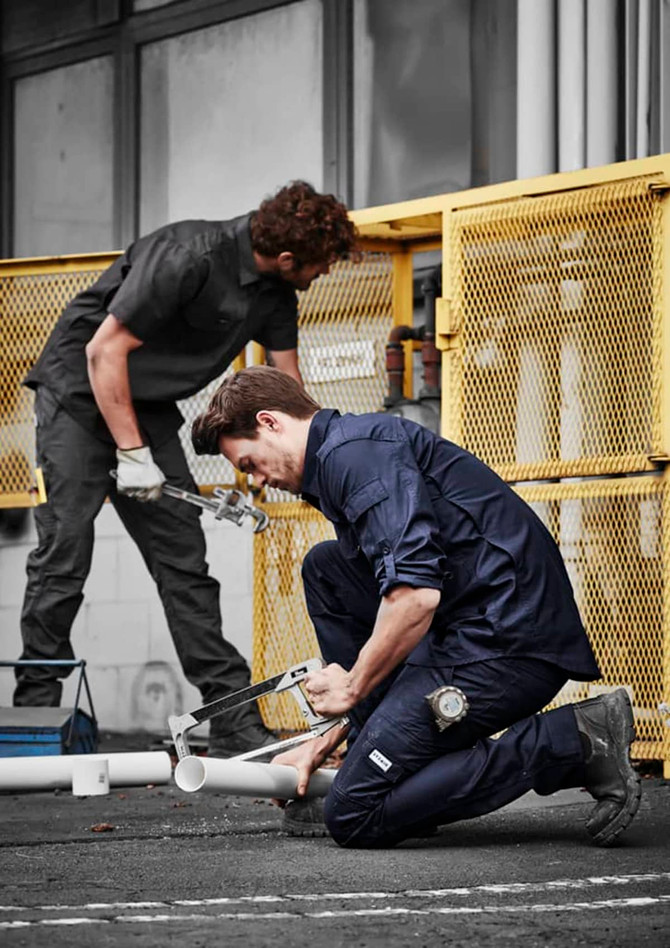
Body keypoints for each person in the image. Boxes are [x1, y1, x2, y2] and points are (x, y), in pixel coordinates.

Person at [190, 365, 642, 847]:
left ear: (271, 422)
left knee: (354, 812)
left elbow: (415, 596)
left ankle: (573, 739)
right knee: (326, 567)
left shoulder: (354, 454)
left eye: (250, 464)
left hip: (507, 643)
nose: (257, 481)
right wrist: (323, 742)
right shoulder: (342, 455)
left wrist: (351, 688)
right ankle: (378, 757)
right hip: (467, 630)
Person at [15, 181, 358, 757]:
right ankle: (33, 717)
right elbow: (102, 351)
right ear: (287, 257)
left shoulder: (276, 294)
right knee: (64, 554)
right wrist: (132, 454)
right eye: (321, 265)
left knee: (185, 566)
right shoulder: (187, 256)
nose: (323, 274)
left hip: (146, 406)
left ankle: (232, 720)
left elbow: (288, 389)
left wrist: (321, 459)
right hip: (78, 394)